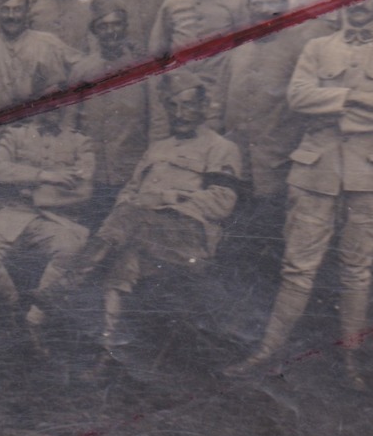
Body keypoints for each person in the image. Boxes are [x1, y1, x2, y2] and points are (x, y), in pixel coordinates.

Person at [226, 0, 373, 390]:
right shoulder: (315, 49)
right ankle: (267, 351)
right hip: (316, 171)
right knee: (298, 267)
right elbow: (297, 98)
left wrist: (333, 108)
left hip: (371, 175)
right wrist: (359, 97)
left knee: (356, 269)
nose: (361, 4)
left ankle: (351, 358)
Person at [58, 69, 242, 361]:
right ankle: (109, 349)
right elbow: (128, 193)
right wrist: (135, 206)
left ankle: (69, 283)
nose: (180, 114)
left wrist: (169, 199)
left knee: (131, 220)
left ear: (203, 107)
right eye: (173, 106)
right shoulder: (158, 148)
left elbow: (222, 203)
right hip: (141, 232)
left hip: (189, 237)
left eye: (188, 106)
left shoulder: (221, 148)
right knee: (126, 252)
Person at [0, 99, 95, 354]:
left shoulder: (80, 143)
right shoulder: (16, 135)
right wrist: (44, 176)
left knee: (71, 248)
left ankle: (35, 320)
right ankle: (12, 309)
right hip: (8, 213)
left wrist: (33, 193)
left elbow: (83, 190)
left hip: (55, 220)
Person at [213, 0, 310, 221]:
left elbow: (309, 104)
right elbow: (219, 100)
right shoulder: (237, 48)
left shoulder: (300, 49)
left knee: (270, 234)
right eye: (258, 3)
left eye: (272, 3)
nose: (264, 10)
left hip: (278, 164)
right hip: (237, 163)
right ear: (249, 7)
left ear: (285, 5)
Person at [64, 0, 151, 226]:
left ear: (125, 27)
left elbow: (158, 122)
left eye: (116, 25)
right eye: (103, 26)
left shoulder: (142, 68)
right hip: (91, 172)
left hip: (131, 170)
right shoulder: (82, 71)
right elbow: (69, 123)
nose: (111, 31)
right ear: (95, 31)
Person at [148, 0, 239, 131]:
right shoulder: (172, 4)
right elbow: (157, 51)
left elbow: (244, 50)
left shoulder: (235, 3)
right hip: (178, 94)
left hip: (216, 94)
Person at [0, 0, 77, 116]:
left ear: (27, 12)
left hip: (37, 127)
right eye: (5, 9)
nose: (11, 16)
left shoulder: (47, 43)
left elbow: (81, 67)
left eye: (17, 9)